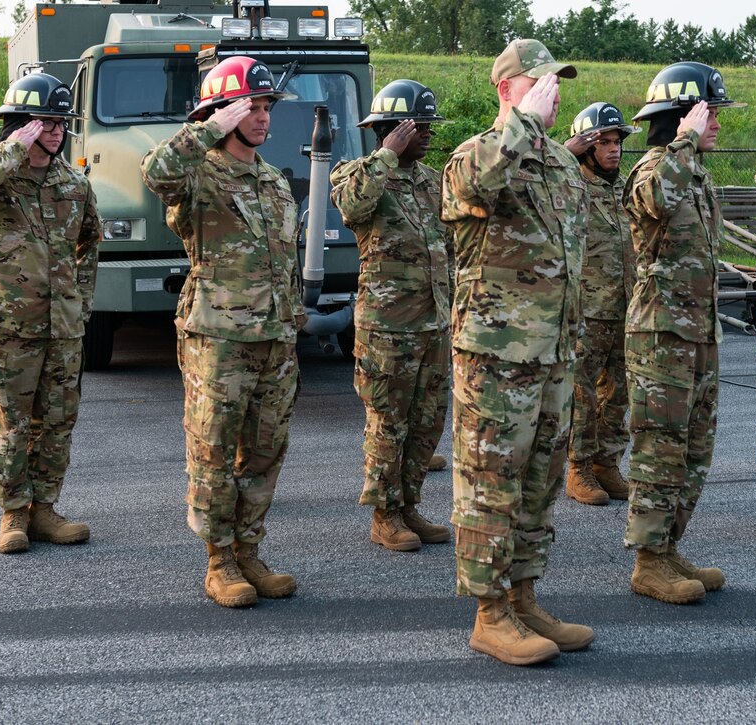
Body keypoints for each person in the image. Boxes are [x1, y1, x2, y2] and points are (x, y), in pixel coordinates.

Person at [441, 39, 594, 666]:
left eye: (558, 81)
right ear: (508, 88)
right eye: (542, 82)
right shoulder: (474, 156)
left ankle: (525, 596)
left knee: (539, 481)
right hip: (498, 357)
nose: (556, 91)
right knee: (490, 484)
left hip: (554, 353)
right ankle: (490, 613)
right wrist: (524, 122)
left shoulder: (560, 163)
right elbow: (478, 185)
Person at [141, 56, 305, 608]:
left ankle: (250, 550)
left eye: (264, 107)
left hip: (275, 337)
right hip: (220, 337)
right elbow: (156, 172)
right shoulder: (197, 173)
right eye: (250, 107)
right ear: (221, 112)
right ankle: (219, 561)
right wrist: (207, 126)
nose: (261, 117)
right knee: (213, 451)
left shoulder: (272, 180)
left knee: (265, 450)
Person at [0, 73, 100, 555]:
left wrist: (81, 304)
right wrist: (13, 149)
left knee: (56, 424)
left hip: (62, 329)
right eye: (44, 122)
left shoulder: (73, 184)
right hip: (7, 329)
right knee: (11, 423)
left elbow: (90, 244)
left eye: (60, 123)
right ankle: (13, 513)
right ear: (18, 125)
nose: (55, 132)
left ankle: (45, 510)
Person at [621, 62, 745, 604]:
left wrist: (689, 148)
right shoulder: (654, 168)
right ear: (680, 117)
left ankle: (669, 547)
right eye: (707, 113)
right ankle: (648, 562)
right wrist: (685, 141)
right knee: (660, 450)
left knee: (695, 448)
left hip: (697, 333)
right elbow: (654, 199)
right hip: (660, 337)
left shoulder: (693, 173)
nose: (716, 123)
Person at [330, 80, 453, 552]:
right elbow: (351, 208)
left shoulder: (431, 179)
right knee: (388, 422)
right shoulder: (357, 173)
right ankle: (385, 515)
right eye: (416, 126)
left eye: (427, 126)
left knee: (427, 422)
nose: (426, 134)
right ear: (389, 129)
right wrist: (385, 154)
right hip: (388, 326)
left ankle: (409, 505)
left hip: (433, 322)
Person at [562, 102, 641, 506]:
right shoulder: (569, 185)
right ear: (585, 148)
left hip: (625, 306)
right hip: (586, 311)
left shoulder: (625, 188)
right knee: (582, 394)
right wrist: (565, 152)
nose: (614, 150)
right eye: (604, 143)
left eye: (617, 142)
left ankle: (608, 464)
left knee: (619, 392)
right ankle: (579, 469)